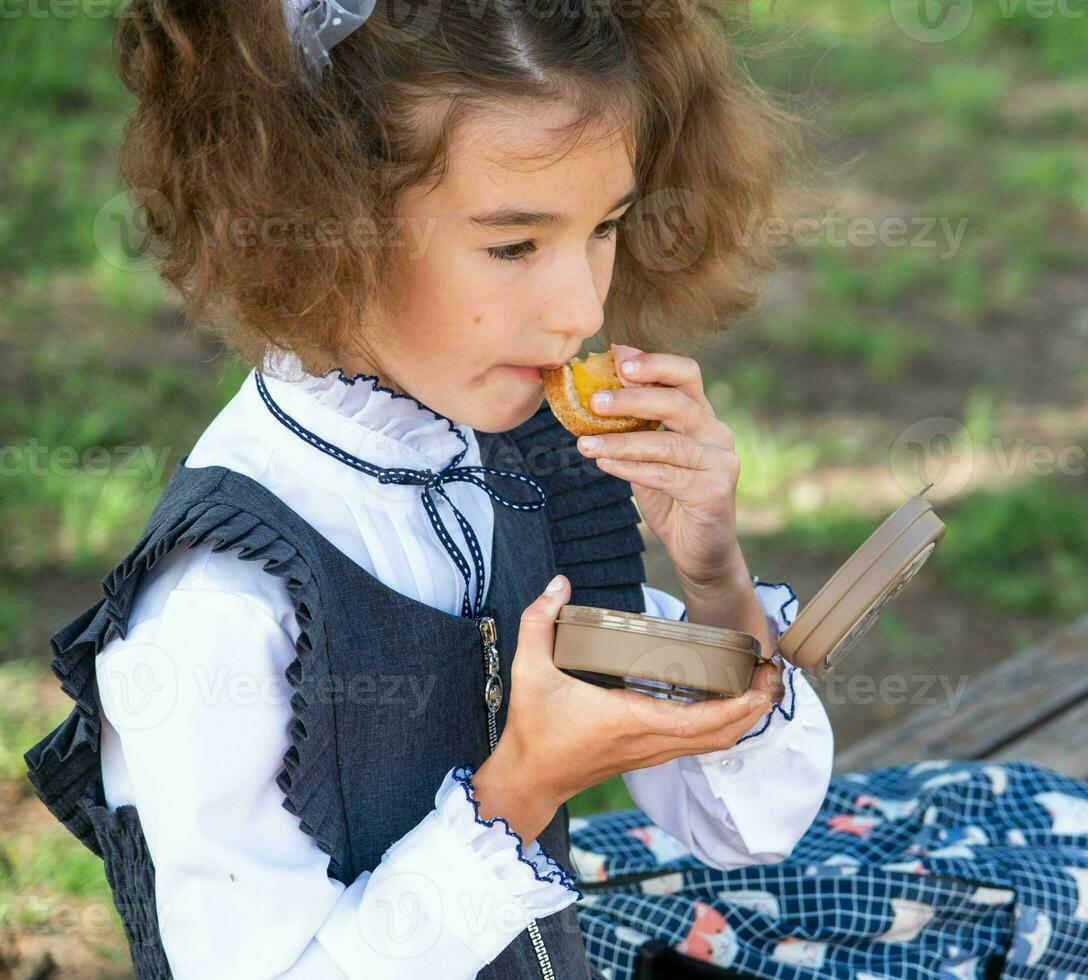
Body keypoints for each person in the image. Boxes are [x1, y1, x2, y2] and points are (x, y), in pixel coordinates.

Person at [25, 1, 832, 976]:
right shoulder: (224, 608)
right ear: (330, 229)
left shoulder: (534, 463)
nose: (581, 307)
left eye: (606, 227)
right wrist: (519, 790)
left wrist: (714, 581)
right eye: (513, 245)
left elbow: (746, 817)